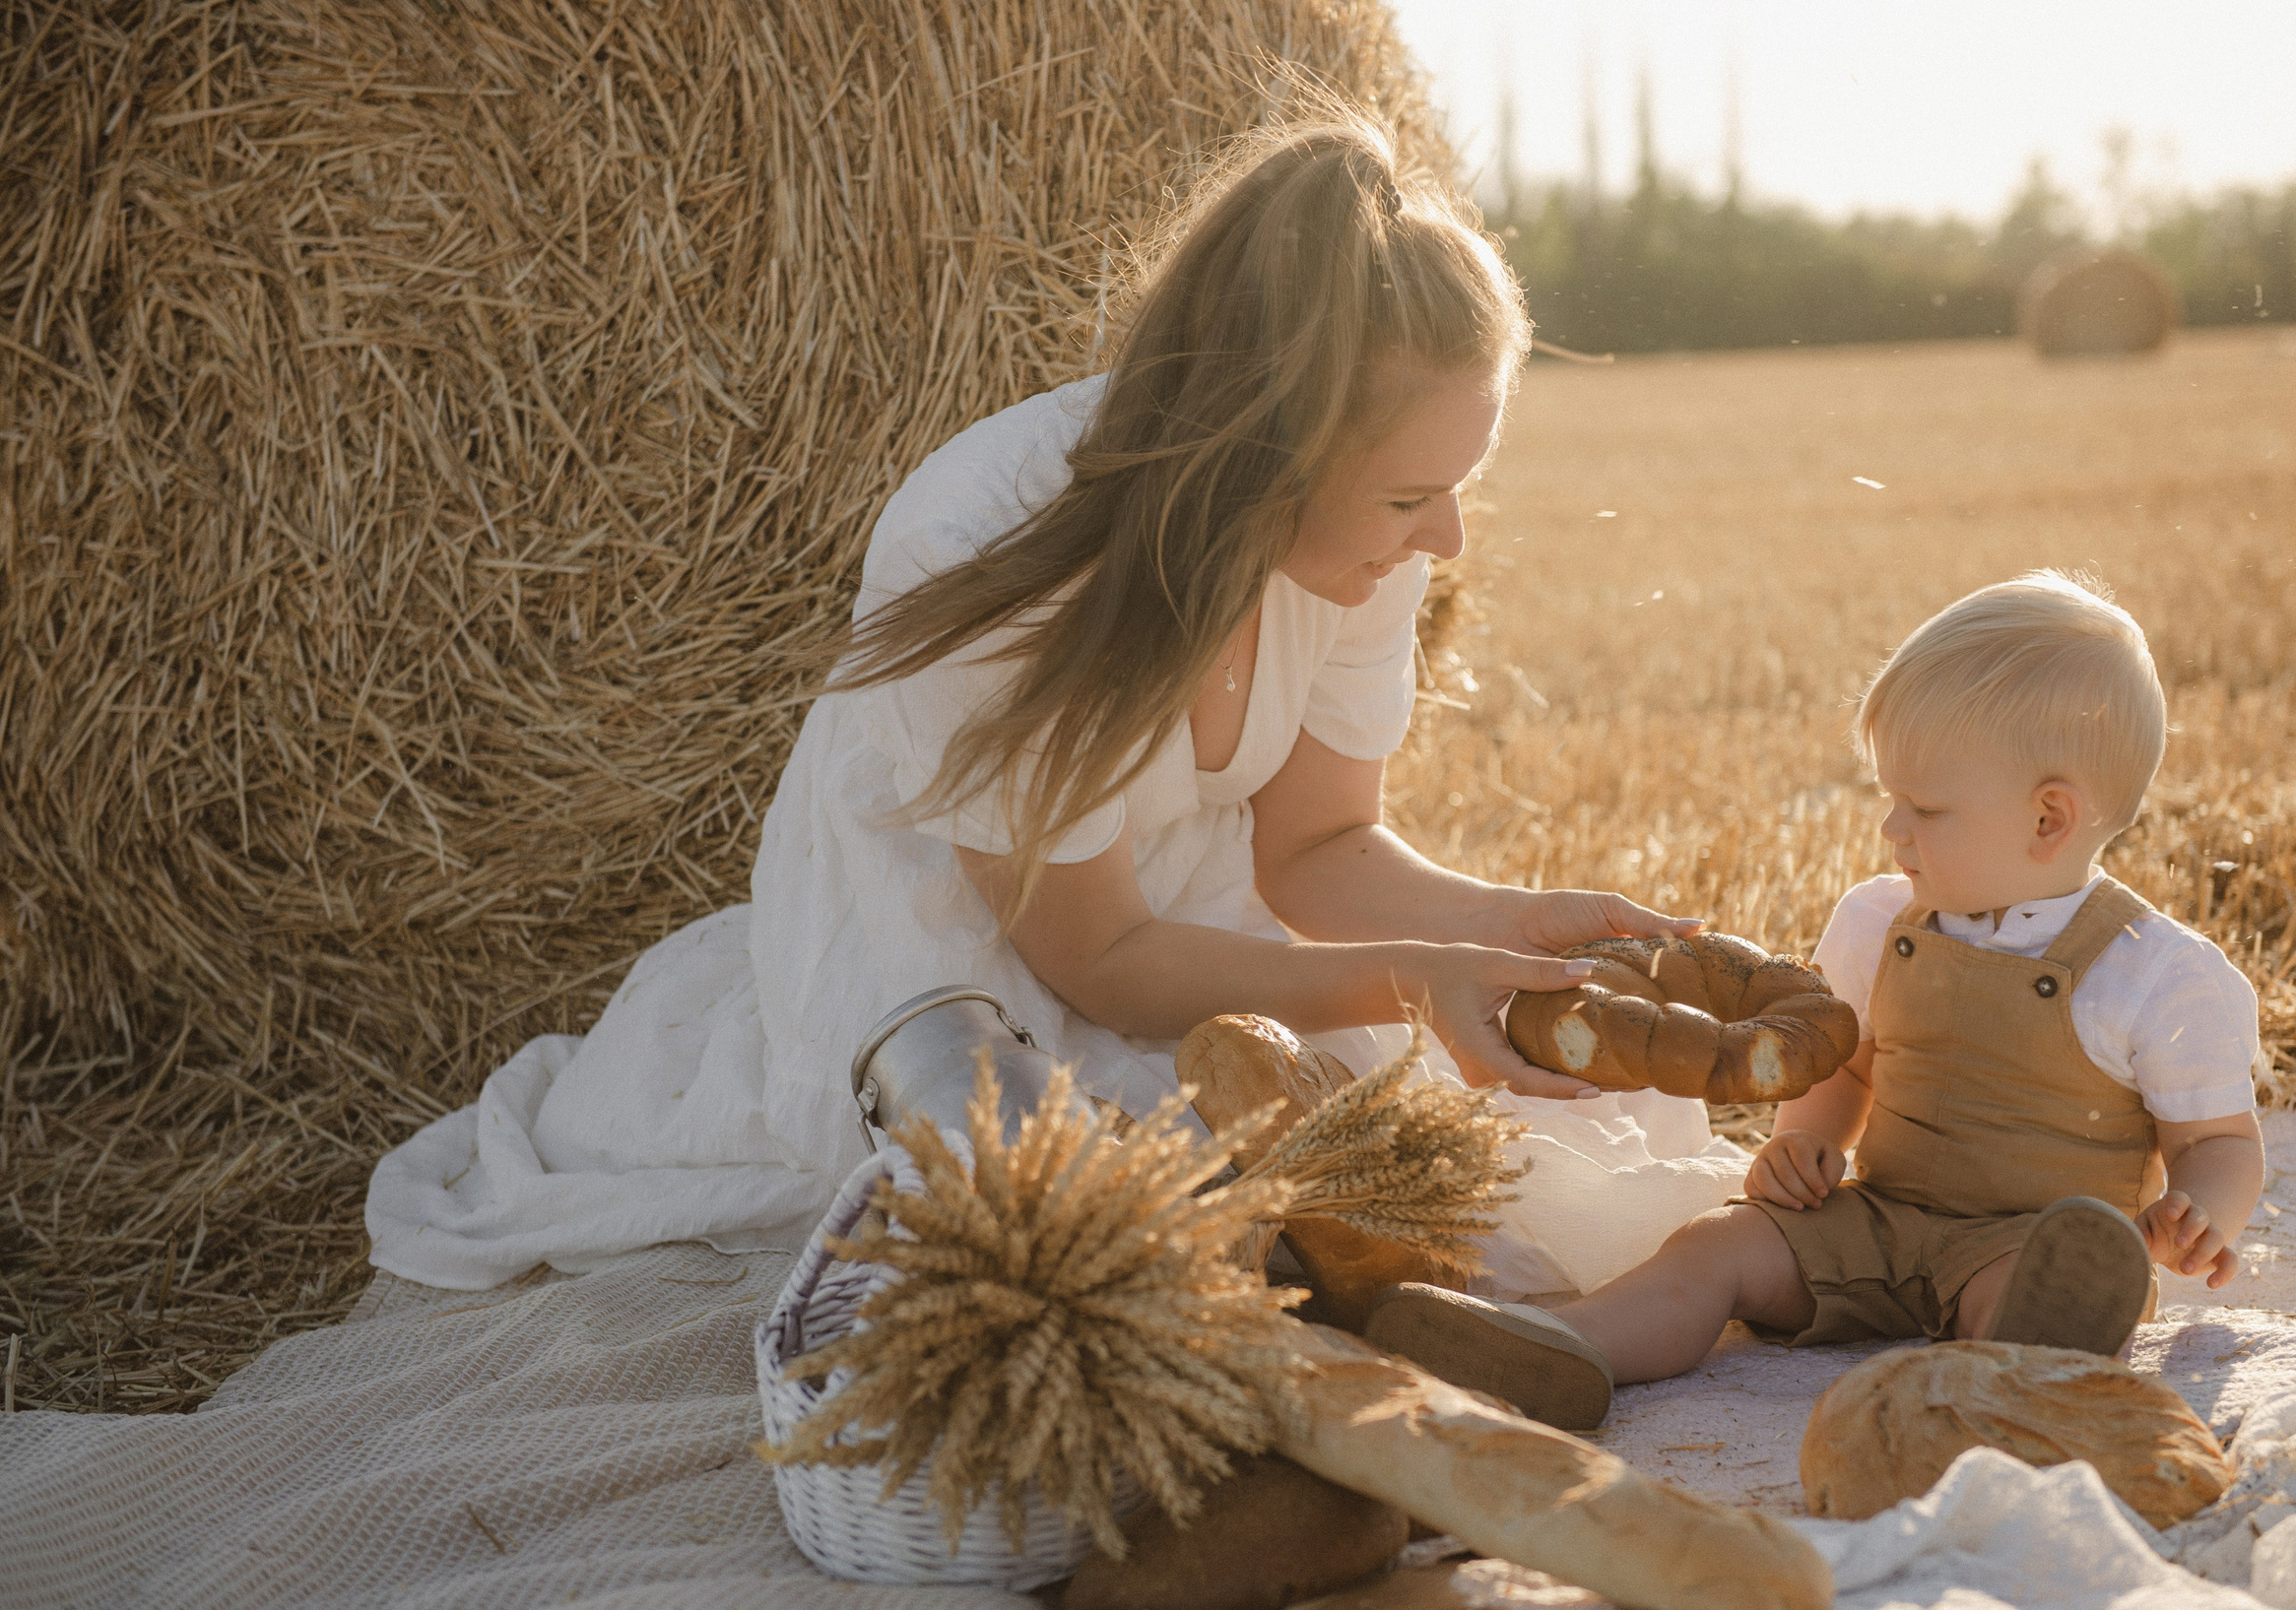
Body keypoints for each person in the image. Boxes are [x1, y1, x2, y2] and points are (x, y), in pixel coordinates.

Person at [364, 115, 1756, 1295]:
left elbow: (1316, 851)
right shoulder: (983, 544)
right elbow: (1104, 963)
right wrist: (1409, 978)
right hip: (963, 930)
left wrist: (1506, 924)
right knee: (1090, 1224)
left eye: (1460, 488)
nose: (1445, 538)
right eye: (1410, 497)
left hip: (1180, 914)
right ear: (1267, 453)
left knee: (1416, 1199)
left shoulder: (1361, 545)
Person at [1368, 572, 2266, 1429]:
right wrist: (1804, 1141)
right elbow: (1850, 1067)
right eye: (1891, 798)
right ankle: (1563, 1346)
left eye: (1925, 808)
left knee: (2029, 1300)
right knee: (1716, 1245)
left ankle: (2017, 1376)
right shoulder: (1879, 921)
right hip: (1876, 1220)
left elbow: (2217, 1142)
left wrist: (2200, 1212)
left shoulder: (2155, 973)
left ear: (2048, 819)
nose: (1891, 828)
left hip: (2025, 1243)